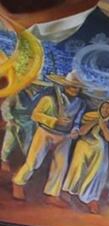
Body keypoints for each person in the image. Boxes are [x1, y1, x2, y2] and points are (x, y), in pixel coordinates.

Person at [11, 71, 88, 203]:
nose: (74, 90)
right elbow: (35, 115)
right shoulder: (49, 100)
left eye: (77, 87)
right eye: (72, 86)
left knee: (60, 165)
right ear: (65, 86)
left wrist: (75, 130)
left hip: (65, 137)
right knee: (34, 161)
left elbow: (77, 121)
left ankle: (52, 194)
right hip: (45, 133)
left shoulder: (80, 103)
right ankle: (18, 183)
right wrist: (54, 121)